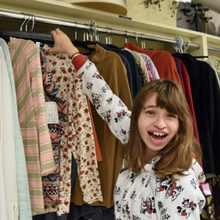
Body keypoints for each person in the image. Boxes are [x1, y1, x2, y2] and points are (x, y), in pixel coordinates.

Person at [48, 28, 206, 219]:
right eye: (150, 112)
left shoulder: (179, 184)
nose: (160, 123)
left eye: (170, 116)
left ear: (181, 124)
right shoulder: (134, 134)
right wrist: (73, 53)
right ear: (138, 115)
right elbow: (105, 100)